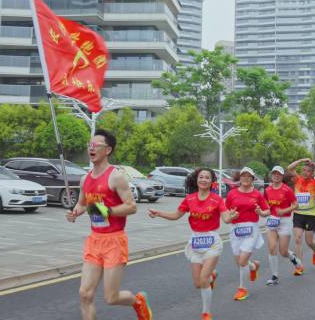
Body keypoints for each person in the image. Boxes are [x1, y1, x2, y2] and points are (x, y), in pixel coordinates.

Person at [66, 129, 152, 320]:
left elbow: (131, 207)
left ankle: (138, 301)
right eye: (90, 144)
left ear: (108, 150)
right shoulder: (85, 179)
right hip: (94, 240)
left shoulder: (116, 176)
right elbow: (82, 203)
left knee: (111, 298)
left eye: (97, 145)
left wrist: (108, 211)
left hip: (114, 240)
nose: (92, 148)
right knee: (85, 294)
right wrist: (75, 212)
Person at [148, 168, 238, 320]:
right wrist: (159, 214)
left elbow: (226, 218)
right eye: (201, 177)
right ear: (197, 180)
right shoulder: (189, 199)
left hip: (212, 243)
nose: (203, 180)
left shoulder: (217, 199)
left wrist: (232, 216)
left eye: (207, 177)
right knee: (198, 283)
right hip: (195, 243)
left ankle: (206, 313)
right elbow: (176, 215)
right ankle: (211, 276)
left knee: (203, 280)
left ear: (212, 181)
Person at [225, 167, 271, 301]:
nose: (245, 178)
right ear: (240, 178)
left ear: (252, 179)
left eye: (248, 176)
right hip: (236, 229)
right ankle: (253, 266)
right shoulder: (232, 193)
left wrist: (261, 213)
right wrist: (231, 216)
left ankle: (242, 289)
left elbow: (267, 210)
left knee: (242, 260)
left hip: (251, 228)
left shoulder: (257, 194)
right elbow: (225, 211)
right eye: (243, 176)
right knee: (239, 262)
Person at [286, 158, 315, 276]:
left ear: (312, 173)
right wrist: (302, 160)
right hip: (298, 214)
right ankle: (299, 266)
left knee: (309, 242)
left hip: (311, 215)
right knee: (298, 239)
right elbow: (289, 168)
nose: (305, 172)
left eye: (308, 171)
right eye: (303, 170)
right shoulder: (297, 179)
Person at [263, 166, 300, 285]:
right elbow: (266, 205)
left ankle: (293, 258)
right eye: (274, 173)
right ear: (271, 175)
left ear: (282, 176)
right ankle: (274, 276)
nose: (276, 175)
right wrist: (262, 211)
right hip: (272, 220)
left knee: (283, 251)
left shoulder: (287, 190)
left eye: (278, 174)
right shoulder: (267, 190)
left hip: (285, 220)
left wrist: (284, 211)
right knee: (272, 248)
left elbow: (296, 205)